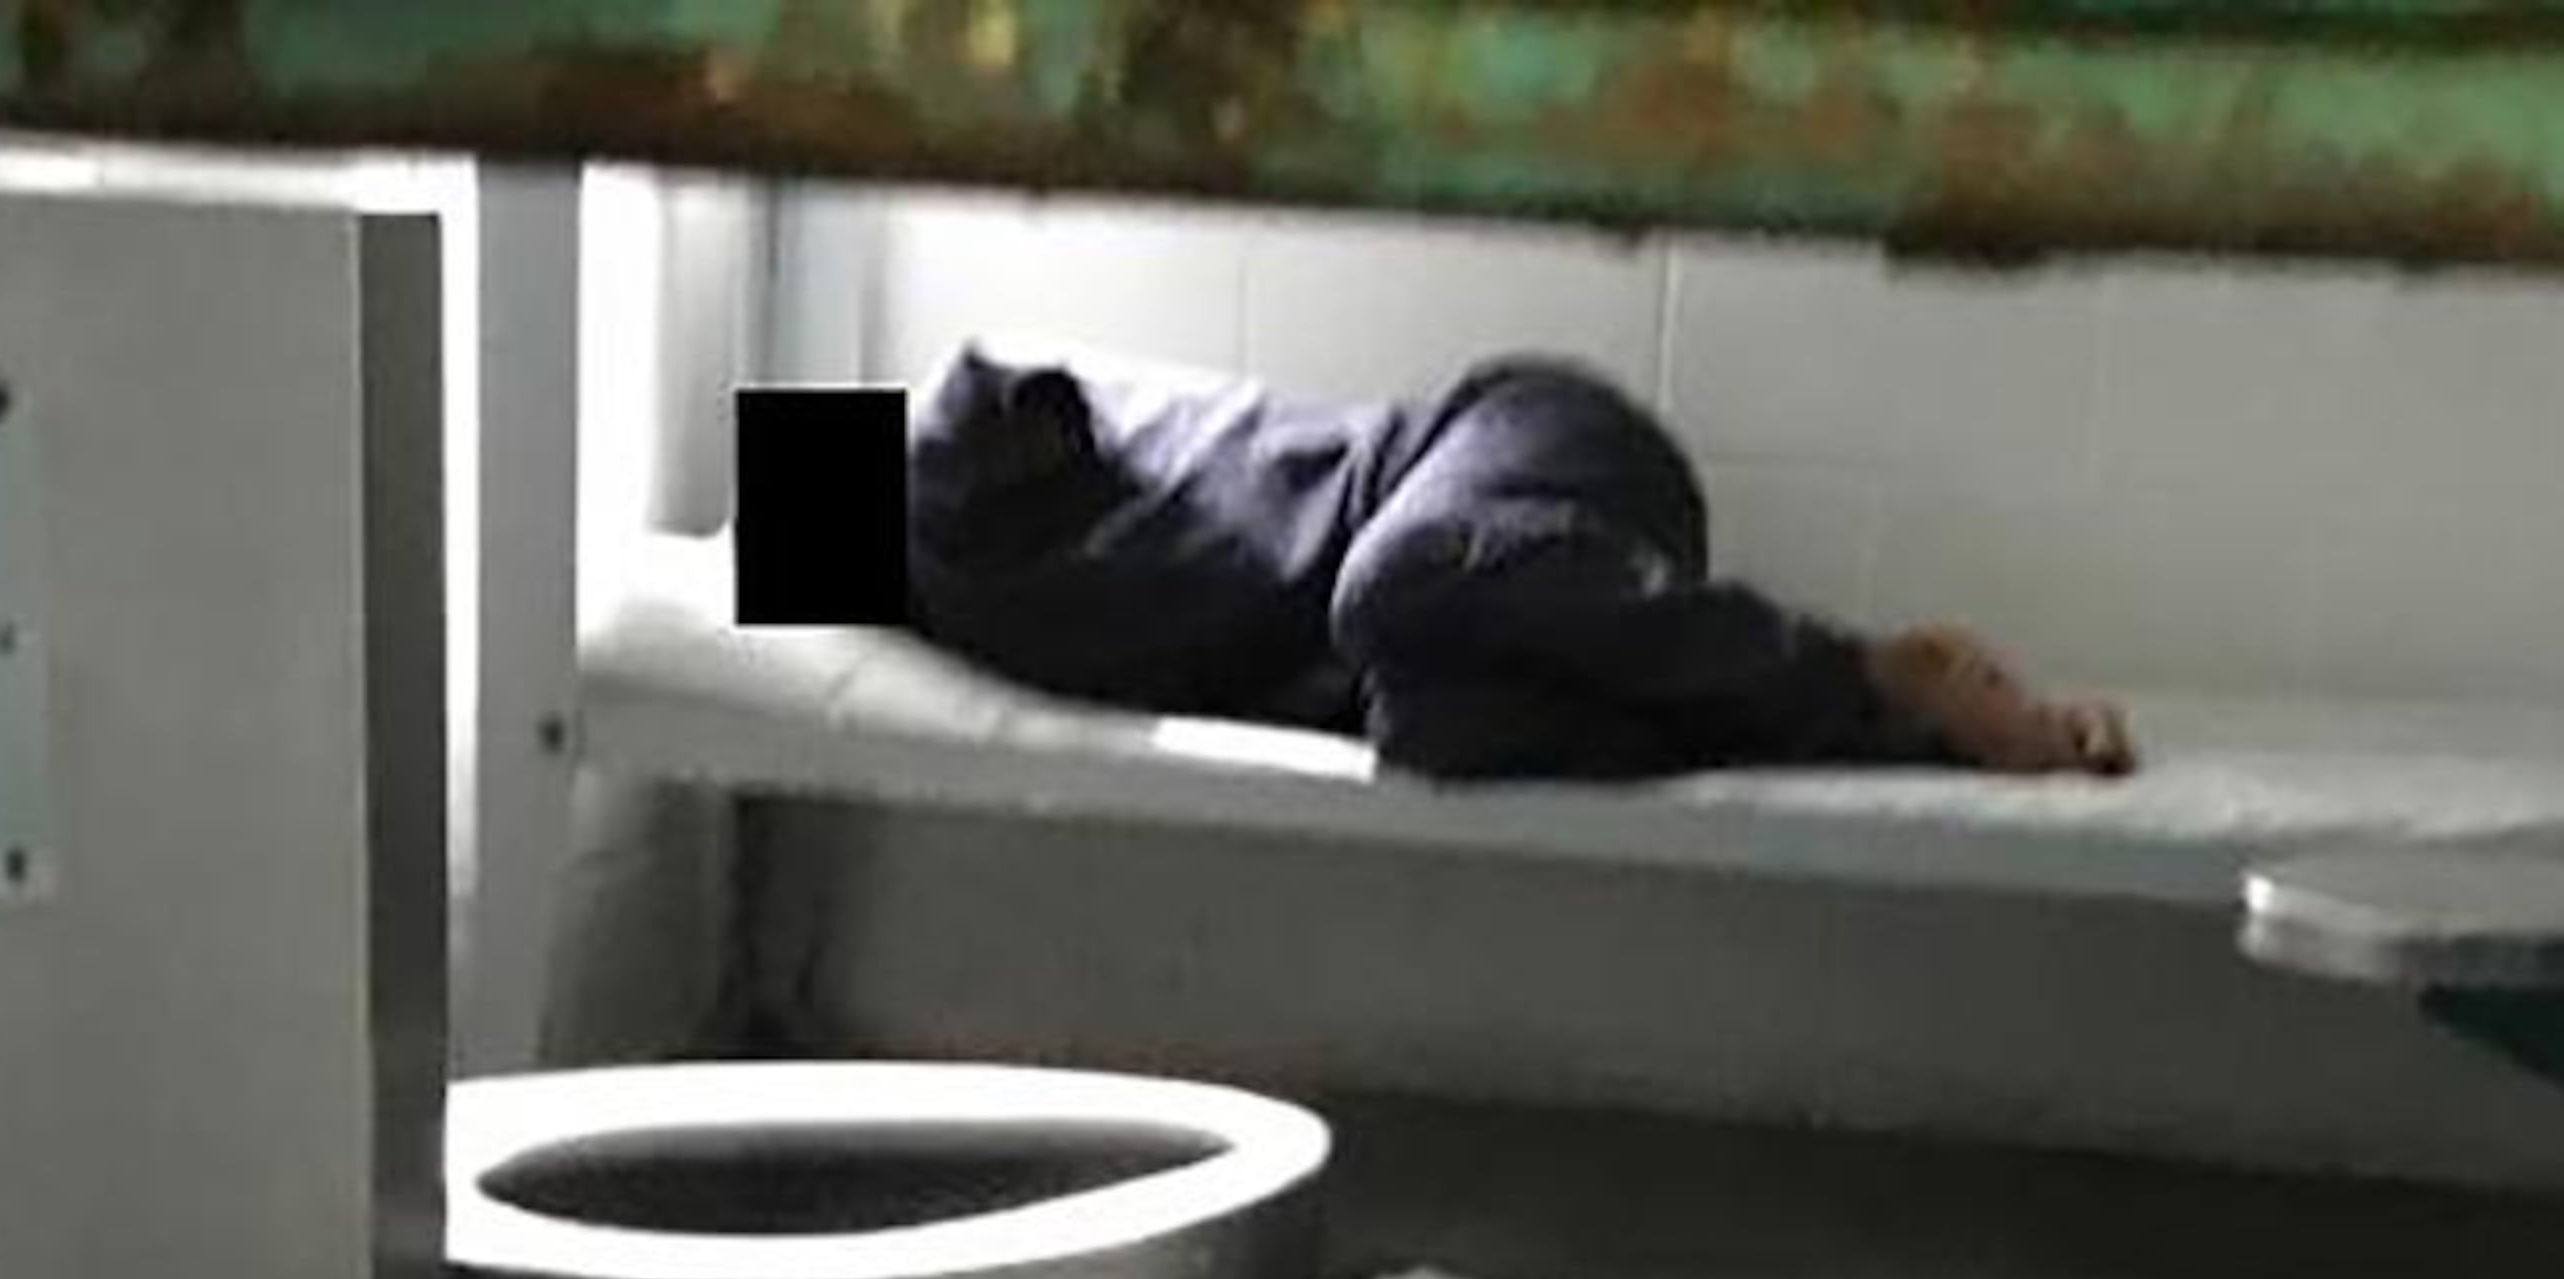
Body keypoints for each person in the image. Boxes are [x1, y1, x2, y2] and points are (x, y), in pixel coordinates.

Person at [902, 345, 2135, 783]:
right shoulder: (835, 544)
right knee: (1438, 730)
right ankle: (1891, 725)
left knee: (1398, 585)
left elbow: (990, 385)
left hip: (1512, 446)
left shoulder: (972, 422)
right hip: (1432, 639)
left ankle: (1868, 677)